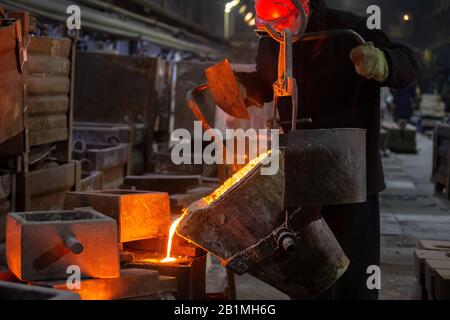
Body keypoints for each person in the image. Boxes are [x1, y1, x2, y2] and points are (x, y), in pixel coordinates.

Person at [236, 0, 418, 300]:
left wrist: (384, 63)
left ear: (303, 6)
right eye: (270, 24)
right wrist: (244, 88)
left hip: (351, 177)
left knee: (351, 276)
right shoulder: (272, 38)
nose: (276, 29)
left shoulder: (351, 30)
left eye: (283, 21)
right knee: (307, 274)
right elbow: (265, 81)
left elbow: (408, 63)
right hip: (299, 175)